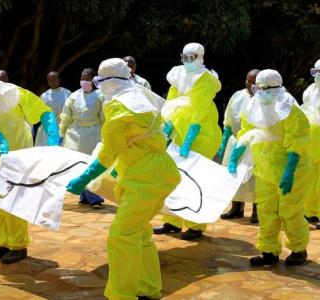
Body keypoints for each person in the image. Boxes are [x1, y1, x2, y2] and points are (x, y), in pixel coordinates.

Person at [66, 58, 180, 299]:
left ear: (107, 82)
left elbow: (108, 152)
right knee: (139, 232)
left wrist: (83, 179)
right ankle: (148, 288)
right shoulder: (142, 97)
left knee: (121, 235)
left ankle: (121, 295)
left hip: (145, 178)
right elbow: (162, 130)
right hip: (157, 170)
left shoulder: (119, 106)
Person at [0, 65, 60, 264]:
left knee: (15, 199)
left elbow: (44, 113)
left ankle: (18, 245)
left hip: (19, 144)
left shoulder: (14, 93)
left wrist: (52, 135)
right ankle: (3, 243)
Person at [228, 69, 310, 266]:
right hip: (265, 167)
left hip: (292, 168)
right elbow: (247, 132)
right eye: (257, 87)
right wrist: (234, 155)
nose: (258, 91)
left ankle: (299, 249)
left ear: (275, 88)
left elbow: (297, 140)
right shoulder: (254, 105)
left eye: (263, 88)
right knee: (266, 210)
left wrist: (289, 170)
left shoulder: (289, 108)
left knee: (290, 211)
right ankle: (269, 250)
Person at [153, 42, 222, 240]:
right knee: (173, 177)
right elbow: (171, 105)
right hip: (179, 130)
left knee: (195, 179)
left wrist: (189, 141)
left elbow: (199, 112)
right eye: (184, 57)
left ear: (201, 57)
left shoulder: (206, 79)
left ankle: (196, 225)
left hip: (201, 134)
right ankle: (172, 221)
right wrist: (167, 130)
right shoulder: (177, 74)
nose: (187, 62)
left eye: (191, 58)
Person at [59, 68, 104, 208]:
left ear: (93, 80)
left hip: (93, 134)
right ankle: (85, 195)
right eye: (82, 78)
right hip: (75, 135)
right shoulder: (73, 96)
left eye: (87, 78)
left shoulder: (100, 96)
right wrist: (61, 134)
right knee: (79, 164)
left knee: (91, 165)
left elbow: (103, 118)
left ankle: (95, 197)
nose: (84, 81)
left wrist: (105, 135)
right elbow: (66, 117)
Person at [219, 69, 259, 223]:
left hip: (256, 143)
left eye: (254, 82)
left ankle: (257, 211)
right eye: (248, 81)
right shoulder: (238, 96)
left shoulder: (265, 99)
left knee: (255, 178)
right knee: (233, 176)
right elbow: (228, 119)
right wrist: (224, 141)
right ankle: (236, 208)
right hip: (236, 141)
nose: (250, 84)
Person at [302, 59, 320, 229]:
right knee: (310, 177)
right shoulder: (310, 90)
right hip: (312, 139)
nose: (317, 76)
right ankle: (311, 211)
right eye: (315, 72)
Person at [35, 71, 71, 146]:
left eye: (54, 79)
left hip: (63, 127)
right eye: (49, 80)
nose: (52, 82)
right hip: (47, 128)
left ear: (59, 79)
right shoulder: (44, 96)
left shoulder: (67, 93)